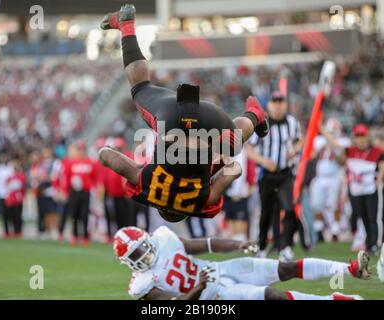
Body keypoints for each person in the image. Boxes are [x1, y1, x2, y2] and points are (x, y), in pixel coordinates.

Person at [98, 4, 269, 223]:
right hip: (171, 119)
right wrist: (144, 167)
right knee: (139, 87)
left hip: (212, 119)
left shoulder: (203, 201)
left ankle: (255, 114)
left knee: (232, 142)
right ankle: (126, 25)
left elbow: (234, 169)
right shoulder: (148, 188)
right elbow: (105, 154)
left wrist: (212, 164)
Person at [113, 225, 370, 300]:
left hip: (221, 270)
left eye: (142, 250)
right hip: (214, 297)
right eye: (135, 256)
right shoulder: (142, 285)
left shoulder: (163, 238)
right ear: (127, 262)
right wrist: (197, 289)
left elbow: (205, 244)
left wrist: (237, 244)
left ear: (147, 240)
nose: (143, 257)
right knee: (271, 296)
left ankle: (349, 269)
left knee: (285, 268)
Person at [247, 91, 308, 260]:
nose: (278, 105)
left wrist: (294, 150)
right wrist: (263, 161)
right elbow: (249, 149)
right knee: (266, 212)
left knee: (289, 208)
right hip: (267, 175)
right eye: (275, 101)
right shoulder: (262, 124)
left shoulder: (292, 122)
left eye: (281, 101)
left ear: (285, 104)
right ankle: (261, 246)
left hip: (285, 174)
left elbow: (300, 140)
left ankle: (286, 246)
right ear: (269, 105)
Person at [321, 123, 384, 254]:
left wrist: (379, 178)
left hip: (371, 189)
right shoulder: (351, 150)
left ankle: (374, 245)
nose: (361, 139)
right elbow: (335, 144)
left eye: (363, 136)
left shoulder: (376, 151)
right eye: (358, 136)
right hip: (356, 190)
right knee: (363, 217)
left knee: (373, 217)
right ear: (355, 137)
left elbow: (382, 163)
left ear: (367, 136)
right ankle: (368, 242)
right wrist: (322, 129)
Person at [310, 118, 351, 241]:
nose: (331, 135)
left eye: (333, 132)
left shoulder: (343, 142)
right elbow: (312, 156)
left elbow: (342, 161)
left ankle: (335, 231)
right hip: (320, 177)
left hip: (335, 177)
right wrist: (319, 150)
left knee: (335, 205)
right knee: (316, 204)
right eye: (330, 132)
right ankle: (319, 230)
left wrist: (332, 144)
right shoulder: (319, 141)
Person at [61, 141, 100, 245]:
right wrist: (65, 191)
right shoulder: (71, 163)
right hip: (74, 192)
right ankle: (74, 235)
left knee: (85, 214)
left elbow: (96, 179)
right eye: (79, 149)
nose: (80, 151)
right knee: (74, 214)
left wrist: (96, 191)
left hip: (86, 192)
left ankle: (86, 236)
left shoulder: (91, 163)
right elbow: (67, 178)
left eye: (82, 149)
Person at [4, 159, 26, 238]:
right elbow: (7, 184)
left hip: (18, 200)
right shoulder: (11, 177)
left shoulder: (21, 176)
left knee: (18, 216)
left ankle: (18, 231)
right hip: (11, 200)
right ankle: (13, 231)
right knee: (12, 216)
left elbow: (18, 185)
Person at [0, 153, 14, 238]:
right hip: (2, 194)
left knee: (12, 213)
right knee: (5, 214)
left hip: (11, 194)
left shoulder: (11, 168)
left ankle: (13, 230)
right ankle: (6, 231)